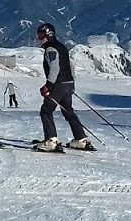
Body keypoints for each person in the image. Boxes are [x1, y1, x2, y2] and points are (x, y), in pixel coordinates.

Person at [33, 23, 92, 151]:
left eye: (41, 34)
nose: (39, 38)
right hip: (68, 84)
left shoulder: (51, 49)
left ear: (49, 34)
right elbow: (70, 65)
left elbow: (55, 67)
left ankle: (51, 140)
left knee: (46, 110)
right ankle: (80, 139)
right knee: (68, 110)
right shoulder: (62, 47)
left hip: (58, 84)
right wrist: (71, 83)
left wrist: (48, 85)